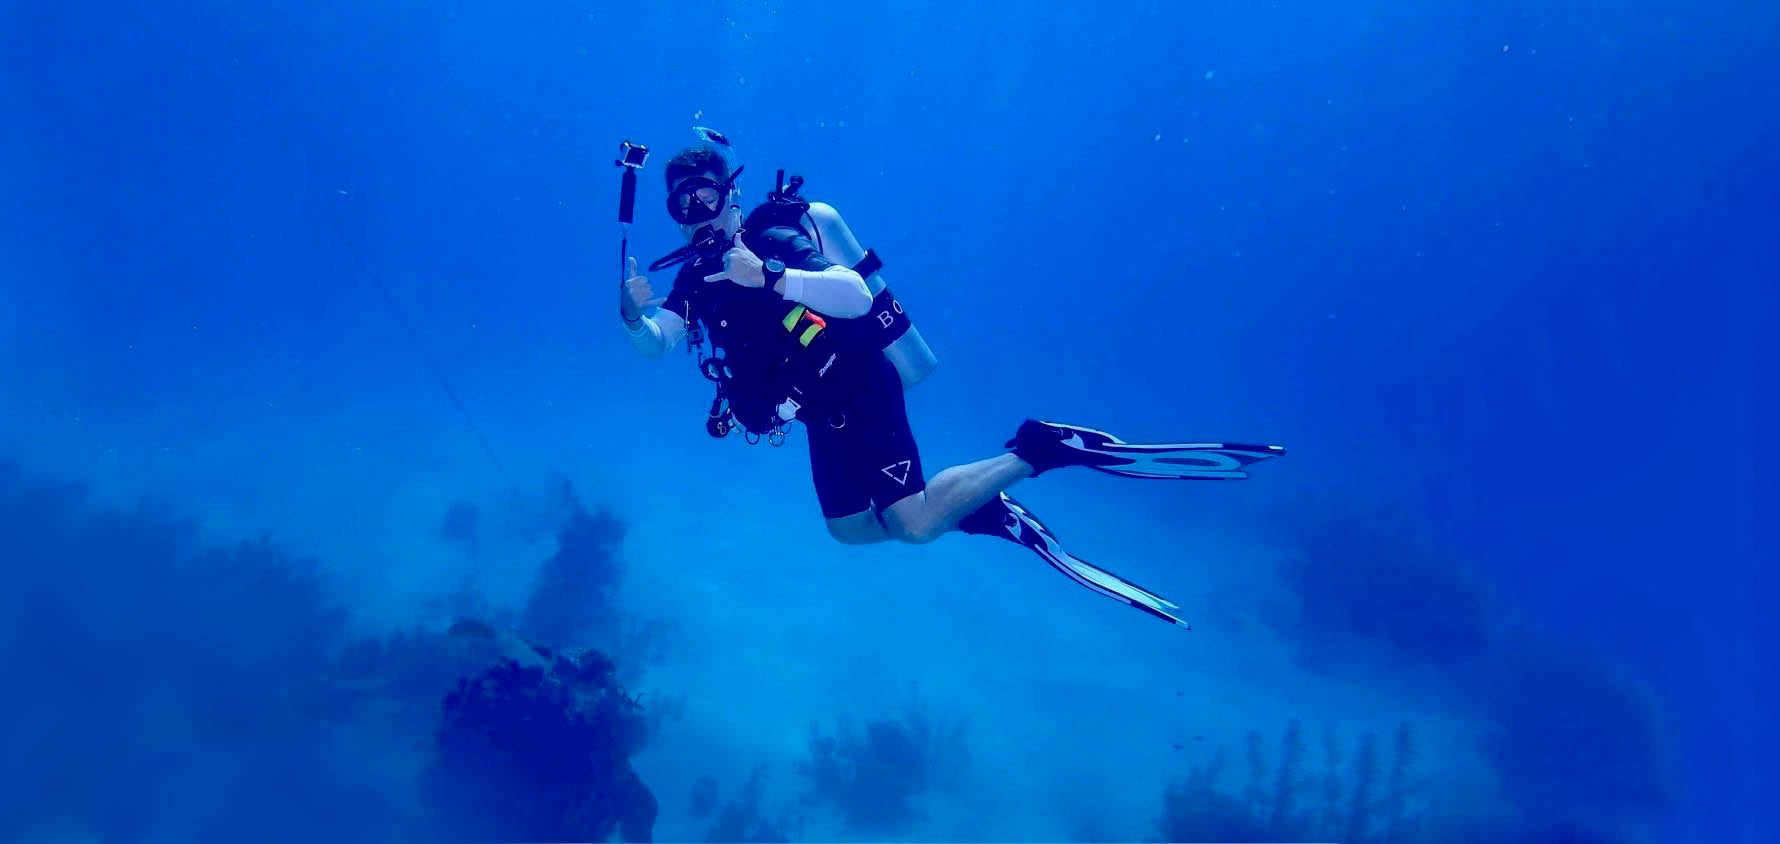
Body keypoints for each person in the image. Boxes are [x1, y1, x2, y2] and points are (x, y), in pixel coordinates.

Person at [616, 133, 1283, 626]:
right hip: (818, 411)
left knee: (910, 524)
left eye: (705, 193)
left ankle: (1041, 448)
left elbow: (849, 291)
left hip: (859, 386)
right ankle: (976, 508)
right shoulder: (693, 277)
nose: (696, 210)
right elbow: (659, 342)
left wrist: (773, 278)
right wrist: (632, 316)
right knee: (849, 531)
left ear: (729, 189)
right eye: (682, 203)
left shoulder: (770, 239)